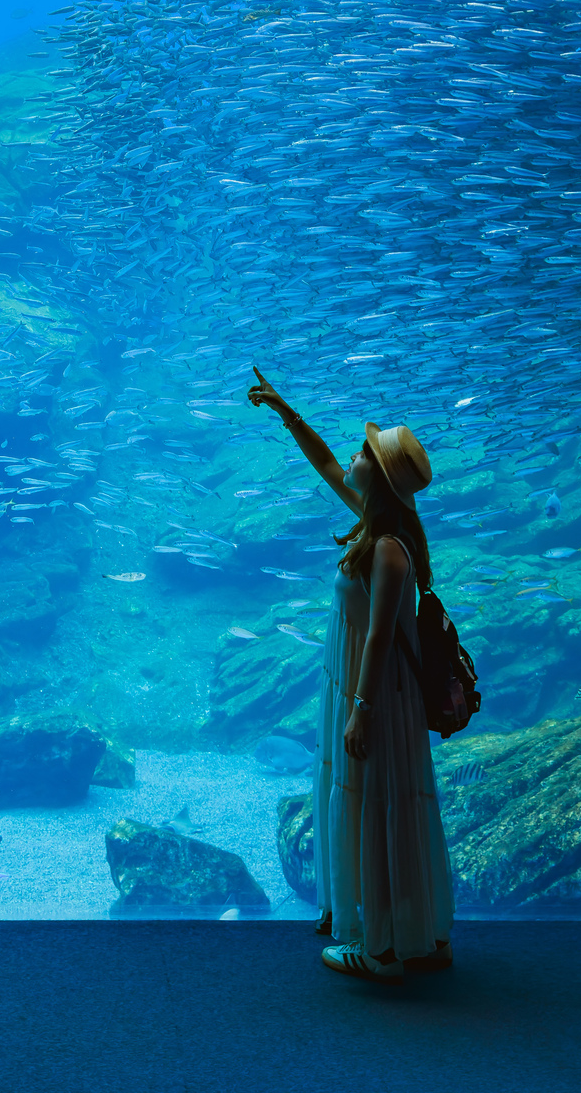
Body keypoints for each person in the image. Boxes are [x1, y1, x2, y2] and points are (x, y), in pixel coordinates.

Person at [247, 367, 454, 984]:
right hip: (366, 691)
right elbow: (325, 466)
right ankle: (420, 936)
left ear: (383, 479)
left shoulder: (389, 547)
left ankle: (386, 950)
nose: (354, 457)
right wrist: (288, 414)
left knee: (384, 803)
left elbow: (383, 635)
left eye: (365, 452)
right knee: (387, 804)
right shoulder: (376, 522)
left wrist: (360, 710)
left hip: (378, 698)